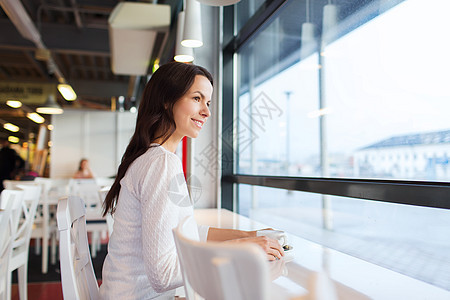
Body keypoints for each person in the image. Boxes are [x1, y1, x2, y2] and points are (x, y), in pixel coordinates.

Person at [100, 62, 284, 299]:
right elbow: (163, 275)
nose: (207, 112)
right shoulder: (161, 164)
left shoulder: (155, 158)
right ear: (167, 100)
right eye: (197, 98)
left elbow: (185, 232)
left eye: (207, 102)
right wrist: (243, 249)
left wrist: (248, 236)